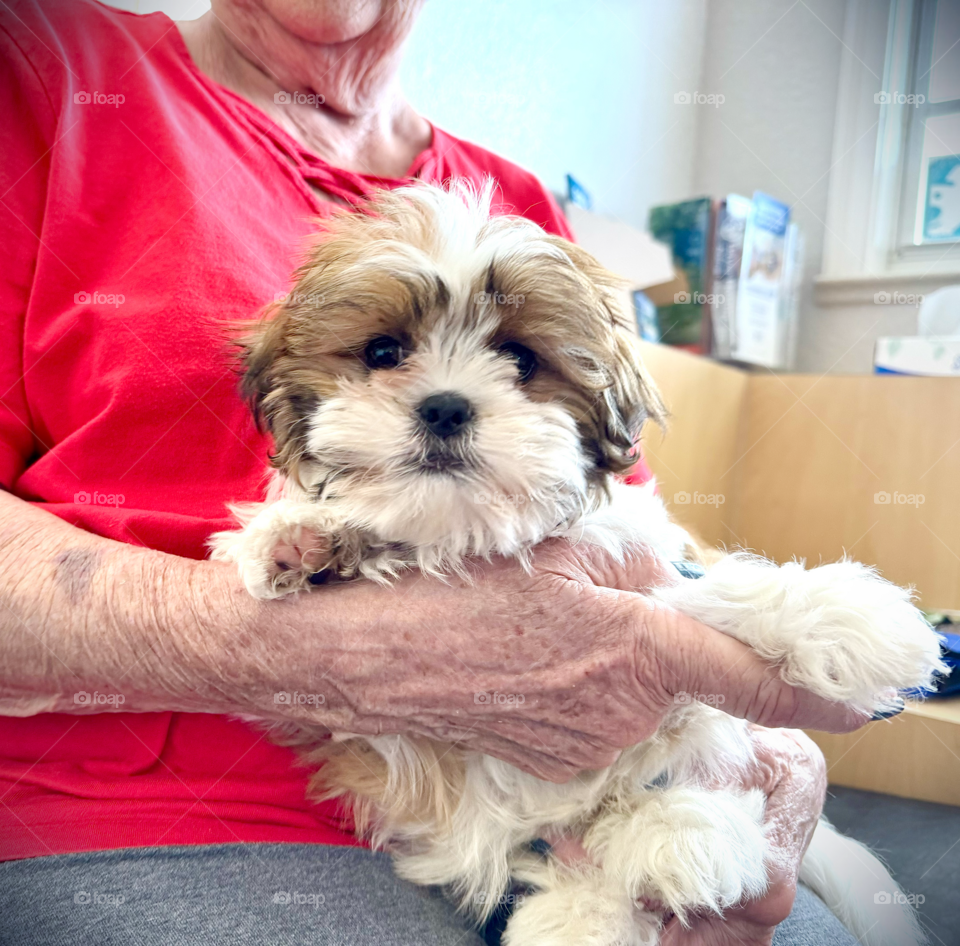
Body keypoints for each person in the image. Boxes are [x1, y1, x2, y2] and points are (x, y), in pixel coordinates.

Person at [0, 1, 872, 943]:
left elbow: (638, 537)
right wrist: (336, 654)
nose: (446, 395)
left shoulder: (514, 197)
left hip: (596, 794)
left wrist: (756, 728)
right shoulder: (40, 61)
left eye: (515, 361)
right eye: (383, 353)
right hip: (165, 816)